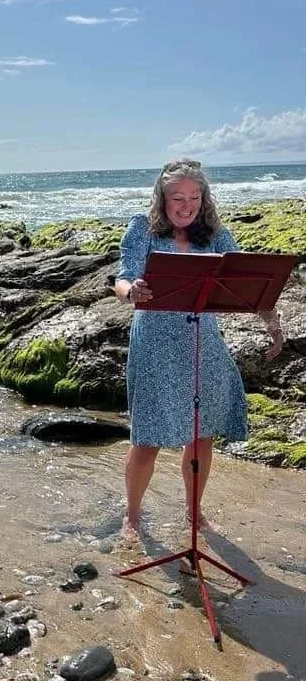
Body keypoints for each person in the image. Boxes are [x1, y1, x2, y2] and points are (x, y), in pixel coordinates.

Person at [114, 158, 284, 538]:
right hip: (156, 342)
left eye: (194, 196)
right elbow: (123, 278)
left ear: (204, 198)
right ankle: (133, 514)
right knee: (148, 438)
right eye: (177, 197)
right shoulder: (143, 228)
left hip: (203, 342)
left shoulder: (216, 235)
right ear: (162, 198)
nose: (186, 204)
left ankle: (194, 513)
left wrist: (272, 324)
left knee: (201, 432)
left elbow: (249, 282)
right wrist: (131, 294)